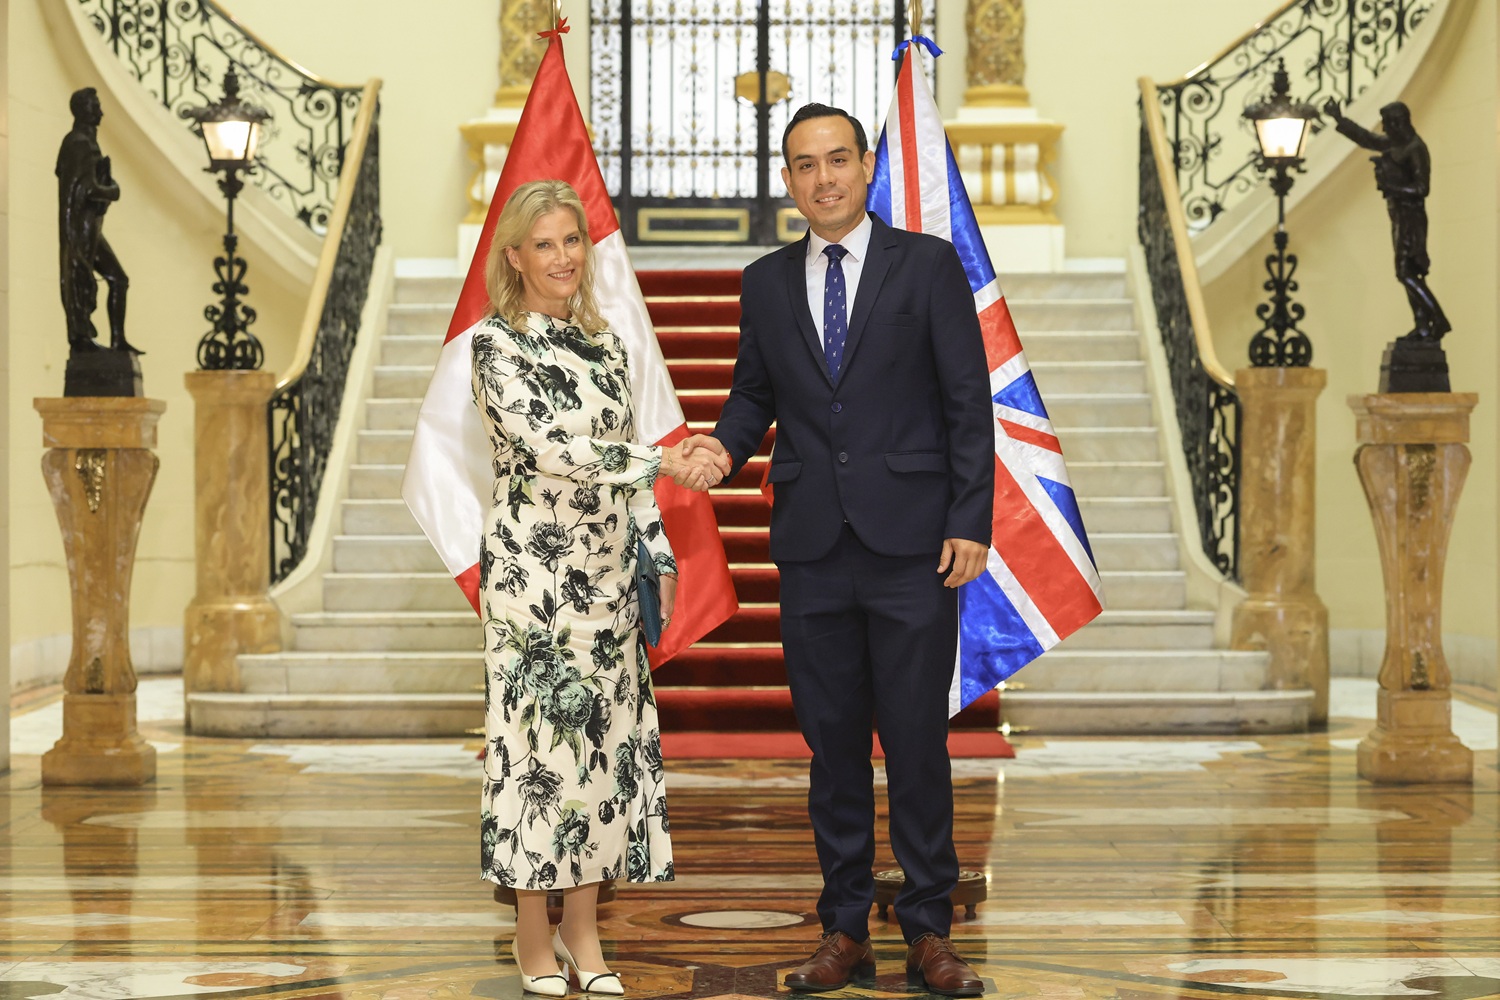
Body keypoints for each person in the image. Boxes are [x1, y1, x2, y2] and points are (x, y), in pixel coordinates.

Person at [682, 104, 994, 996]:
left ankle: (929, 926)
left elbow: (969, 403)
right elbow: (752, 395)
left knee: (917, 743)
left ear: (865, 167)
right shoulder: (765, 281)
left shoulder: (927, 267)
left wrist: (969, 518)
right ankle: (844, 925)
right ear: (787, 181)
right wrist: (723, 446)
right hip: (814, 547)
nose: (822, 178)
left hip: (913, 548)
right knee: (832, 752)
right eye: (803, 165)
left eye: (837, 160)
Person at [472, 179, 727, 997]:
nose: (560, 257)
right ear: (513, 255)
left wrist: (655, 558)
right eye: (542, 243)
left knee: (599, 757)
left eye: (571, 241)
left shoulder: (607, 347)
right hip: (531, 583)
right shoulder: (495, 345)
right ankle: (531, 934)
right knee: (536, 755)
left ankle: (585, 931)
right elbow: (549, 447)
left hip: (606, 577)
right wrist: (664, 457)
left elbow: (622, 472)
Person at [1322, 98, 1450, 340]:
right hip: (1399, 214)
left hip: (1412, 217)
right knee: (1409, 271)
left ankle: (1438, 319)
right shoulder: (1395, 143)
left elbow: (1422, 188)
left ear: (1399, 123)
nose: (1384, 130)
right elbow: (1367, 139)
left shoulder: (1415, 148)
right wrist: (1340, 119)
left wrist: (1392, 187)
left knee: (1406, 272)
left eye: (1388, 125)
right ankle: (1422, 325)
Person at [56, 87, 141, 355]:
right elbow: (85, 190)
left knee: (118, 278)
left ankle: (118, 340)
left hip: (90, 226)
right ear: (83, 110)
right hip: (79, 229)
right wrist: (112, 190)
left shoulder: (85, 142)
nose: (101, 112)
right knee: (85, 278)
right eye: (96, 107)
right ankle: (81, 336)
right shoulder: (78, 142)